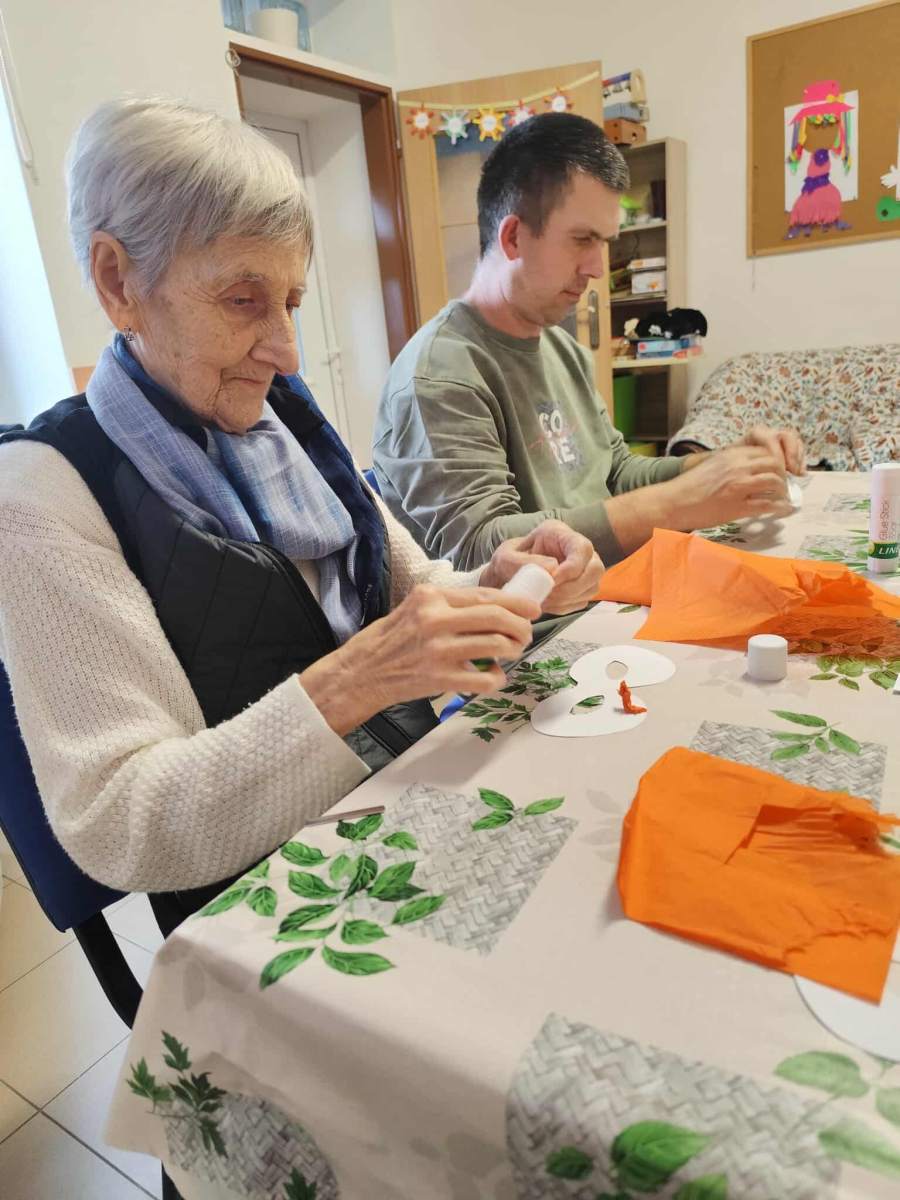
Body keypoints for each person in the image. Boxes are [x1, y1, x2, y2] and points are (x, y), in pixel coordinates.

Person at [0, 98, 602, 927]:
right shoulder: (43, 497)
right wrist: (360, 678)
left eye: (290, 299)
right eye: (243, 300)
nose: (287, 351)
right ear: (117, 281)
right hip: (272, 902)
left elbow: (409, 589)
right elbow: (121, 823)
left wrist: (496, 586)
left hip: (396, 793)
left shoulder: (279, 424)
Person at [373, 112, 805, 571]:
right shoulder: (439, 376)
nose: (598, 268)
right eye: (582, 239)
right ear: (514, 237)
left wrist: (724, 465)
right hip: (532, 617)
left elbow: (615, 472)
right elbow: (479, 554)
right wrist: (680, 501)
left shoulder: (563, 350)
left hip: (600, 591)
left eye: (604, 242)